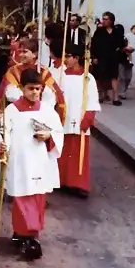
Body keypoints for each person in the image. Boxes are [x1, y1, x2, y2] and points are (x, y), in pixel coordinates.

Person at [0, 68, 64, 260]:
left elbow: (58, 132)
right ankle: (27, 236)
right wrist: (0, 146)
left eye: (38, 89)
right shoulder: (11, 110)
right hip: (20, 161)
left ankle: (29, 235)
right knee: (22, 198)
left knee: (38, 200)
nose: (35, 93)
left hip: (40, 162)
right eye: (31, 89)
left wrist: (49, 137)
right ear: (22, 88)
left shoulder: (47, 111)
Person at [0, 37, 66, 127]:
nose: (21, 55)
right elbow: (10, 93)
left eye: (25, 52)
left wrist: (40, 111)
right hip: (18, 115)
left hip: (40, 118)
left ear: (34, 54)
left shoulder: (43, 72)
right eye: (20, 52)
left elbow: (51, 96)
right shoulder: (13, 71)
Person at [57, 44, 100, 198]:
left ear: (76, 58)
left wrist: (88, 118)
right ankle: (60, 181)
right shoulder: (60, 75)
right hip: (62, 119)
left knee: (78, 152)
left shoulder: (88, 78)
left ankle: (77, 183)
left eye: (68, 56)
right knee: (61, 151)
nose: (65, 59)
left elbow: (92, 100)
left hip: (79, 120)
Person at [91, 11, 124, 105]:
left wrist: (119, 50)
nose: (103, 21)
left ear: (111, 20)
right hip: (101, 56)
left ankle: (115, 97)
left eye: (106, 19)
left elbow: (121, 42)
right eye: (103, 19)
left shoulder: (116, 31)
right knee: (99, 76)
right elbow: (94, 45)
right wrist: (94, 57)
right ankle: (101, 95)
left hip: (113, 57)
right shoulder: (99, 31)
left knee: (114, 76)